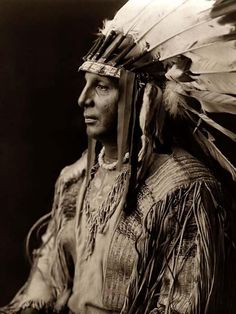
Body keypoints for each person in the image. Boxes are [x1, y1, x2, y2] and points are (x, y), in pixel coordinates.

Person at [1, 0, 236, 313]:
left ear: (142, 97)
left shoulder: (185, 190)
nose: (83, 99)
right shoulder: (76, 180)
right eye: (85, 84)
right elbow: (46, 280)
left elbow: (185, 304)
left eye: (101, 86)